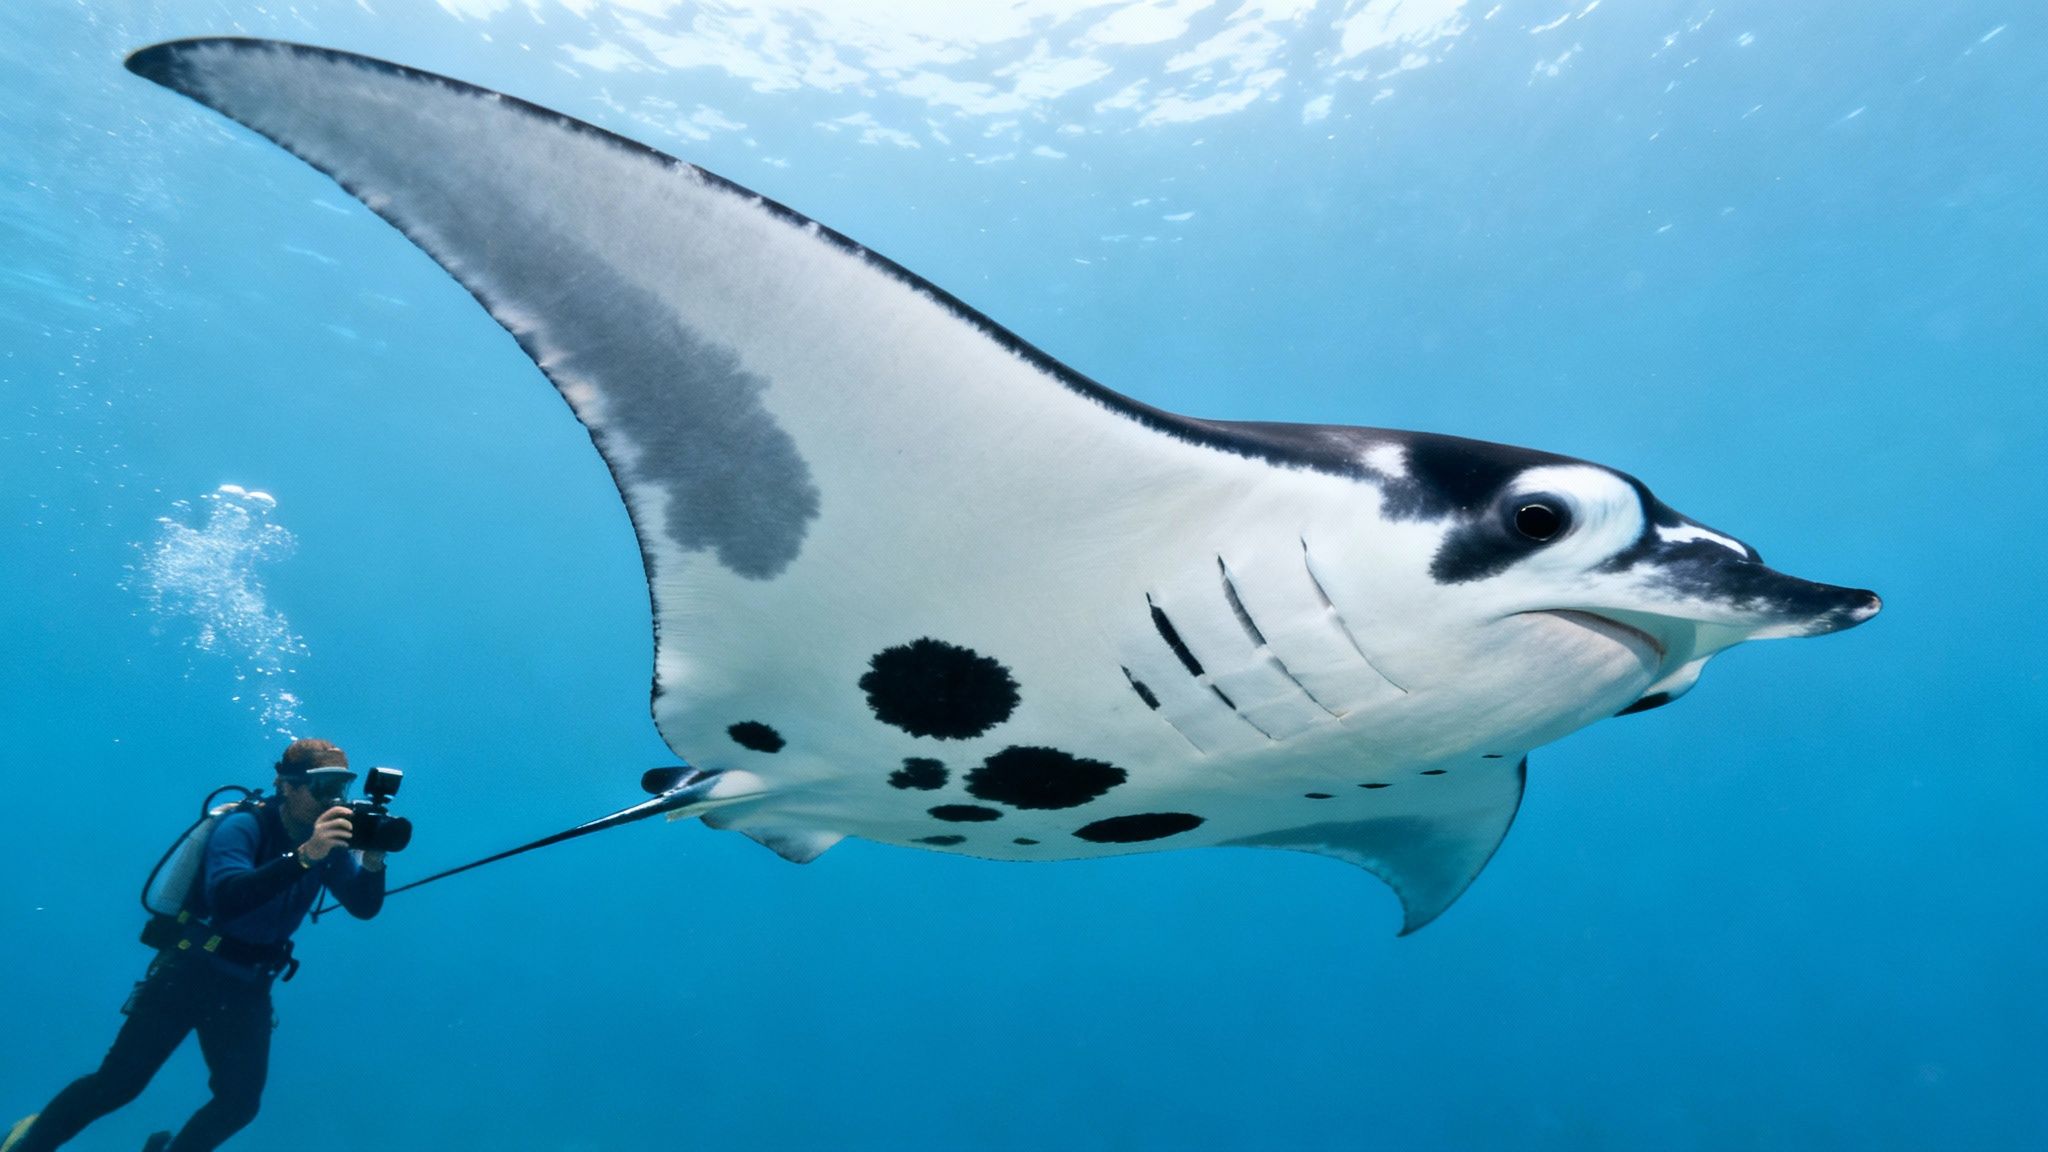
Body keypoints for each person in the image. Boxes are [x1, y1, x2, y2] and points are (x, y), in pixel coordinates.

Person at [5, 739, 388, 1152]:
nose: (333, 800)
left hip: (249, 988)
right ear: (286, 786)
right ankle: (28, 1144)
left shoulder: (326, 846)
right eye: (322, 787)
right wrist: (304, 856)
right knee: (117, 1085)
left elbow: (363, 907)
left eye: (340, 788)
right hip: (189, 973)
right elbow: (227, 897)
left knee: (239, 1104)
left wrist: (373, 862)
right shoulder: (245, 827)